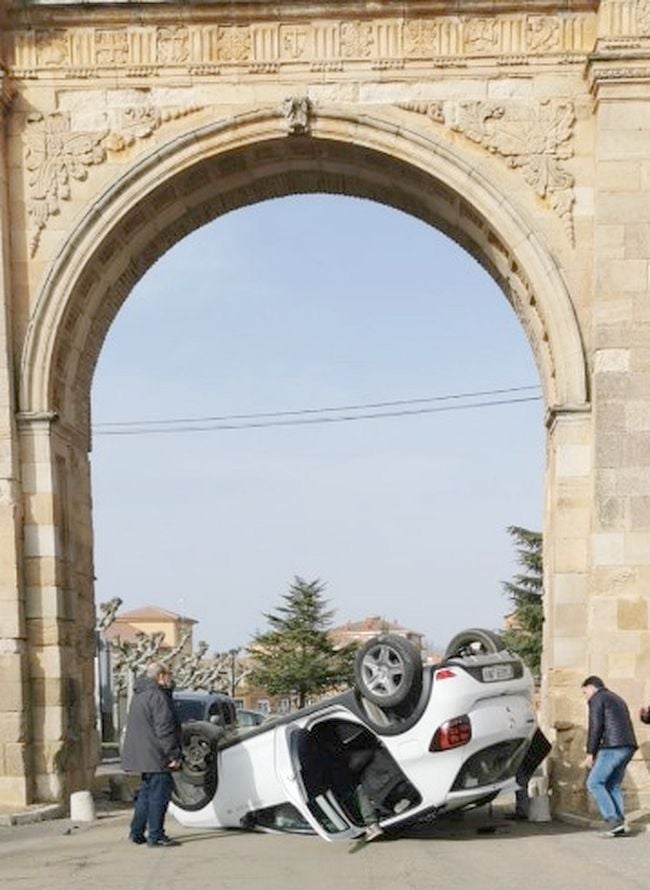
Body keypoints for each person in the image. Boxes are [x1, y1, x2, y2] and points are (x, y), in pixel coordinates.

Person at [121, 661, 183, 847]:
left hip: (143, 755)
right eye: (169, 674)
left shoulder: (140, 695)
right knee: (159, 796)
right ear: (161, 676)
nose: (171, 678)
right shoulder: (158, 697)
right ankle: (155, 835)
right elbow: (164, 729)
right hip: (156, 755)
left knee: (146, 795)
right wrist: (173, 755)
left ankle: (137, 832)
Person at [581, 675, 637, 837]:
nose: (585, 697)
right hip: (628, 746)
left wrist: (590, 753)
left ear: (591, 688)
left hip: (612, 746)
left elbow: (596, 725)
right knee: (612, 784)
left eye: (585, 693)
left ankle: (612, 819)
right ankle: (619, 822)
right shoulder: (617, 698)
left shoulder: (597, 698)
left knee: (594, 782)